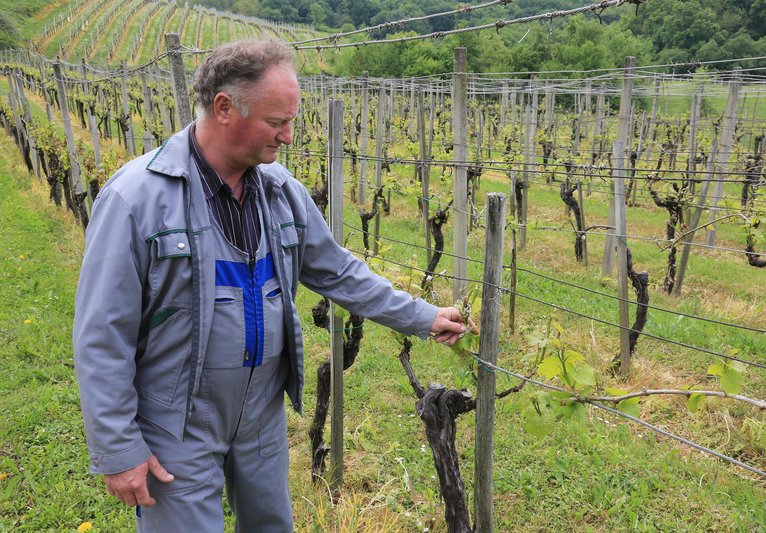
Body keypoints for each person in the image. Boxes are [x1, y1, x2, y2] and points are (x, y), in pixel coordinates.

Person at [72, 39, 475, 532]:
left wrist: (421, 316)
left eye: (291, 121)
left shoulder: (282, 190)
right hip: (177, 422)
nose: (288, 136)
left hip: (261, 412)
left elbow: (337, 271)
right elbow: (101, 334)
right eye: (276, 121)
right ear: (224, 108)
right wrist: (118, 447)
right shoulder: (135, 199)